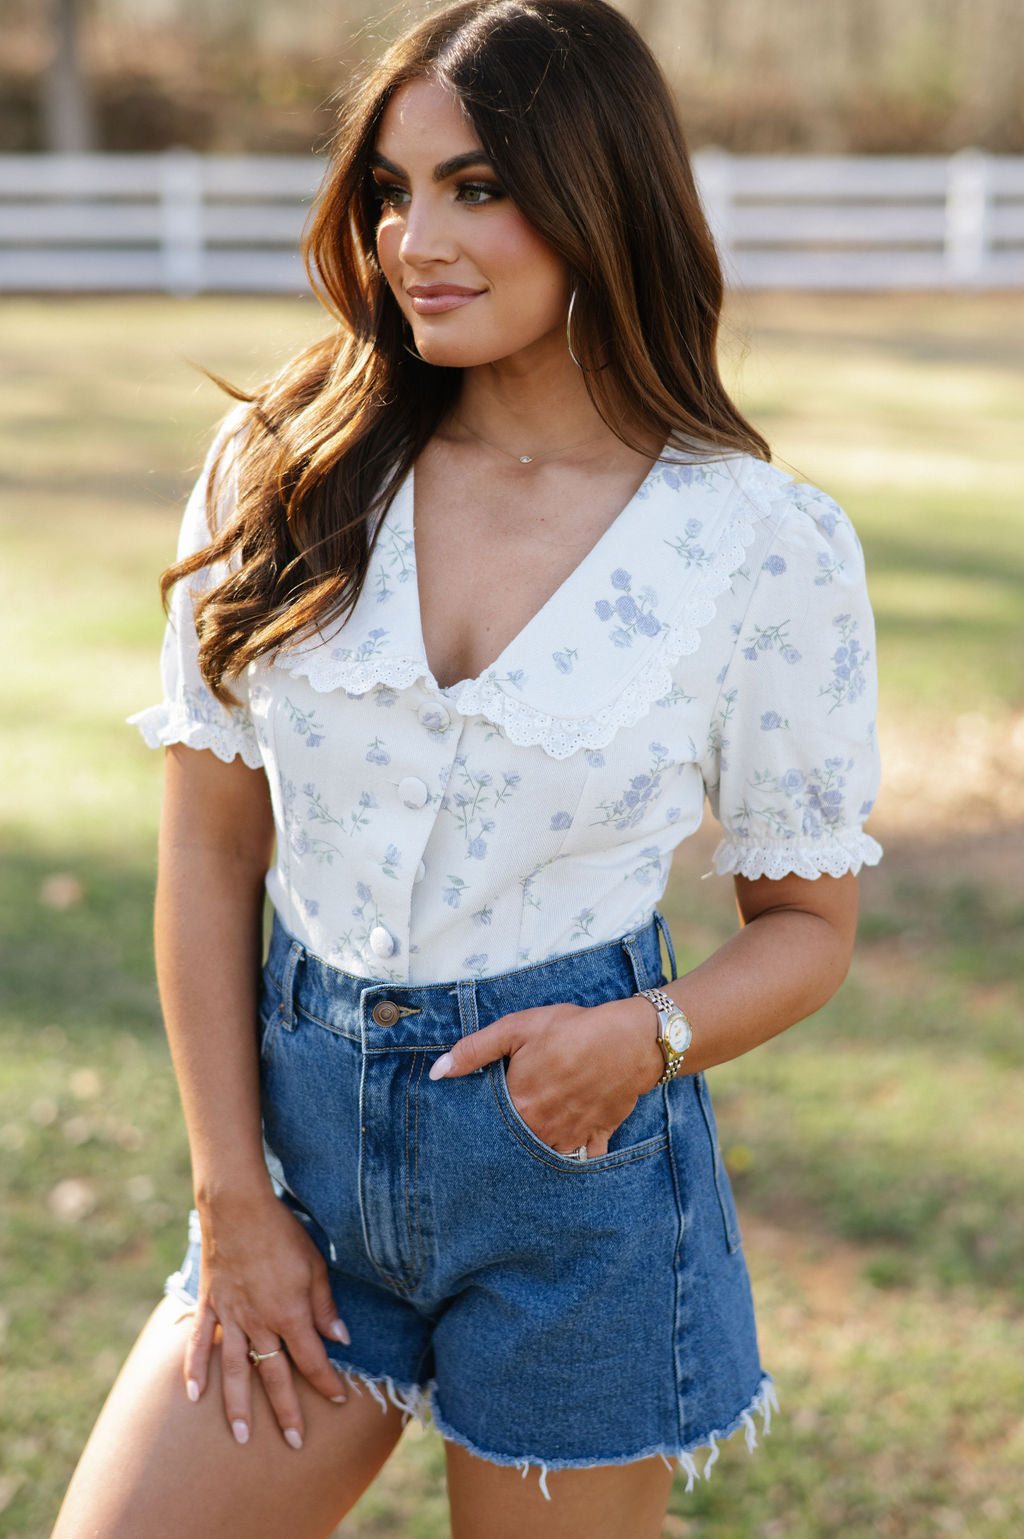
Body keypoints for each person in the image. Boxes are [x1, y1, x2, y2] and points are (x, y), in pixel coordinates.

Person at [52, 2, 881, 1536]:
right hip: (296, 1162)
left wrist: (652, 1035)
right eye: (390, 188)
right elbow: (209, 850)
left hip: (574, 1189)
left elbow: (811, 931)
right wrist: (232, 1192)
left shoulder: (761, 545)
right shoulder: (288, 467)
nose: (414, 237)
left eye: (478, 186)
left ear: (600, 197)